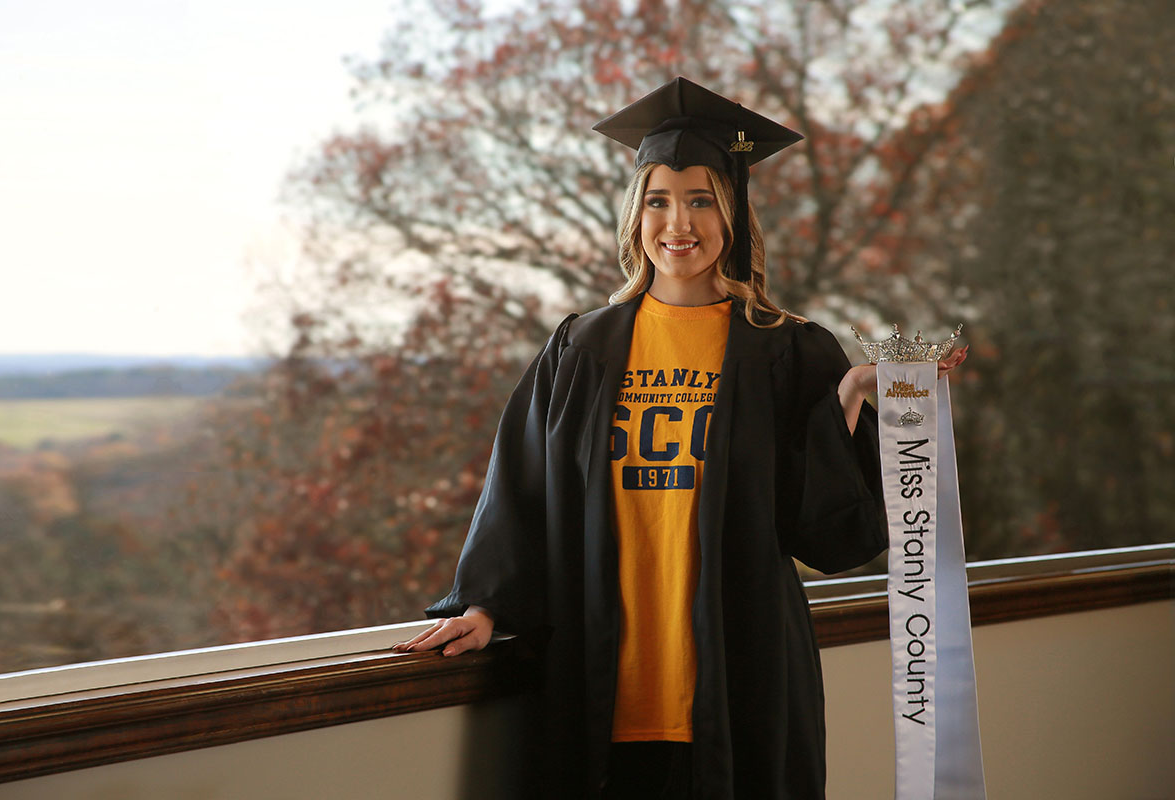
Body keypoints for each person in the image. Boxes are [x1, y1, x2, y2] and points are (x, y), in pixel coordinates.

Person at [392, 77, 968, 799]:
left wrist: (851, 397)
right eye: (659, 200)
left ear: (733, 211)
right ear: (636, 216)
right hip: (603, 687)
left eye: (701, 200)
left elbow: (829, 536)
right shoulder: (582, 349)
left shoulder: (786, 351)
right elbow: (521, 487)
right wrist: (482, 605)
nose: (679, 223)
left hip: (742, 683)